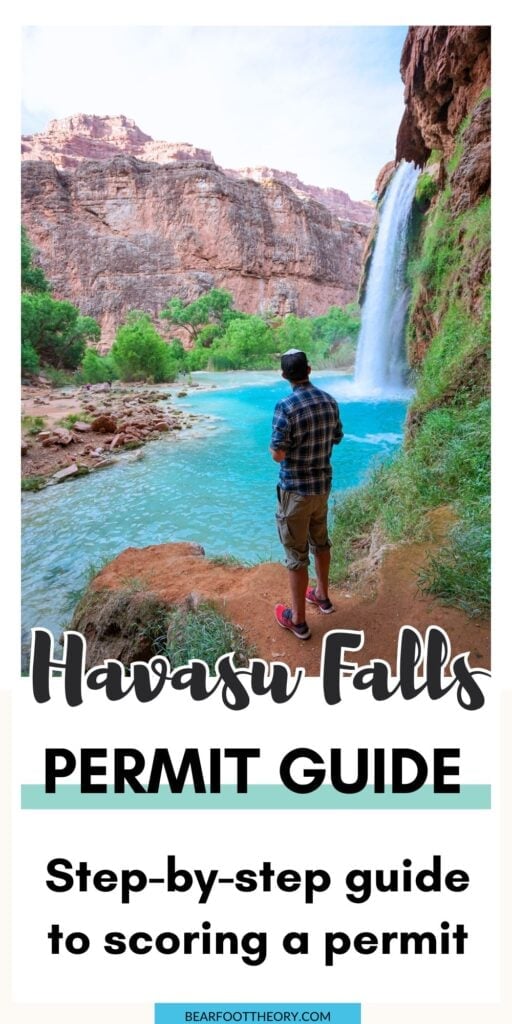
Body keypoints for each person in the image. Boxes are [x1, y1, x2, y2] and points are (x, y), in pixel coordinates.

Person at [270, 348, 343, 640]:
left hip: (295, 492)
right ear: (309, 369)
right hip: (322, 487)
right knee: (321, 542)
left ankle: (298, 621)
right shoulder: (329, 401)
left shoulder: (285, 406)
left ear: (284, 375)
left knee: (296, 555)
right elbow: (336, 437)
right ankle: (322, 597)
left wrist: (278, 450)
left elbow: (278, 454)